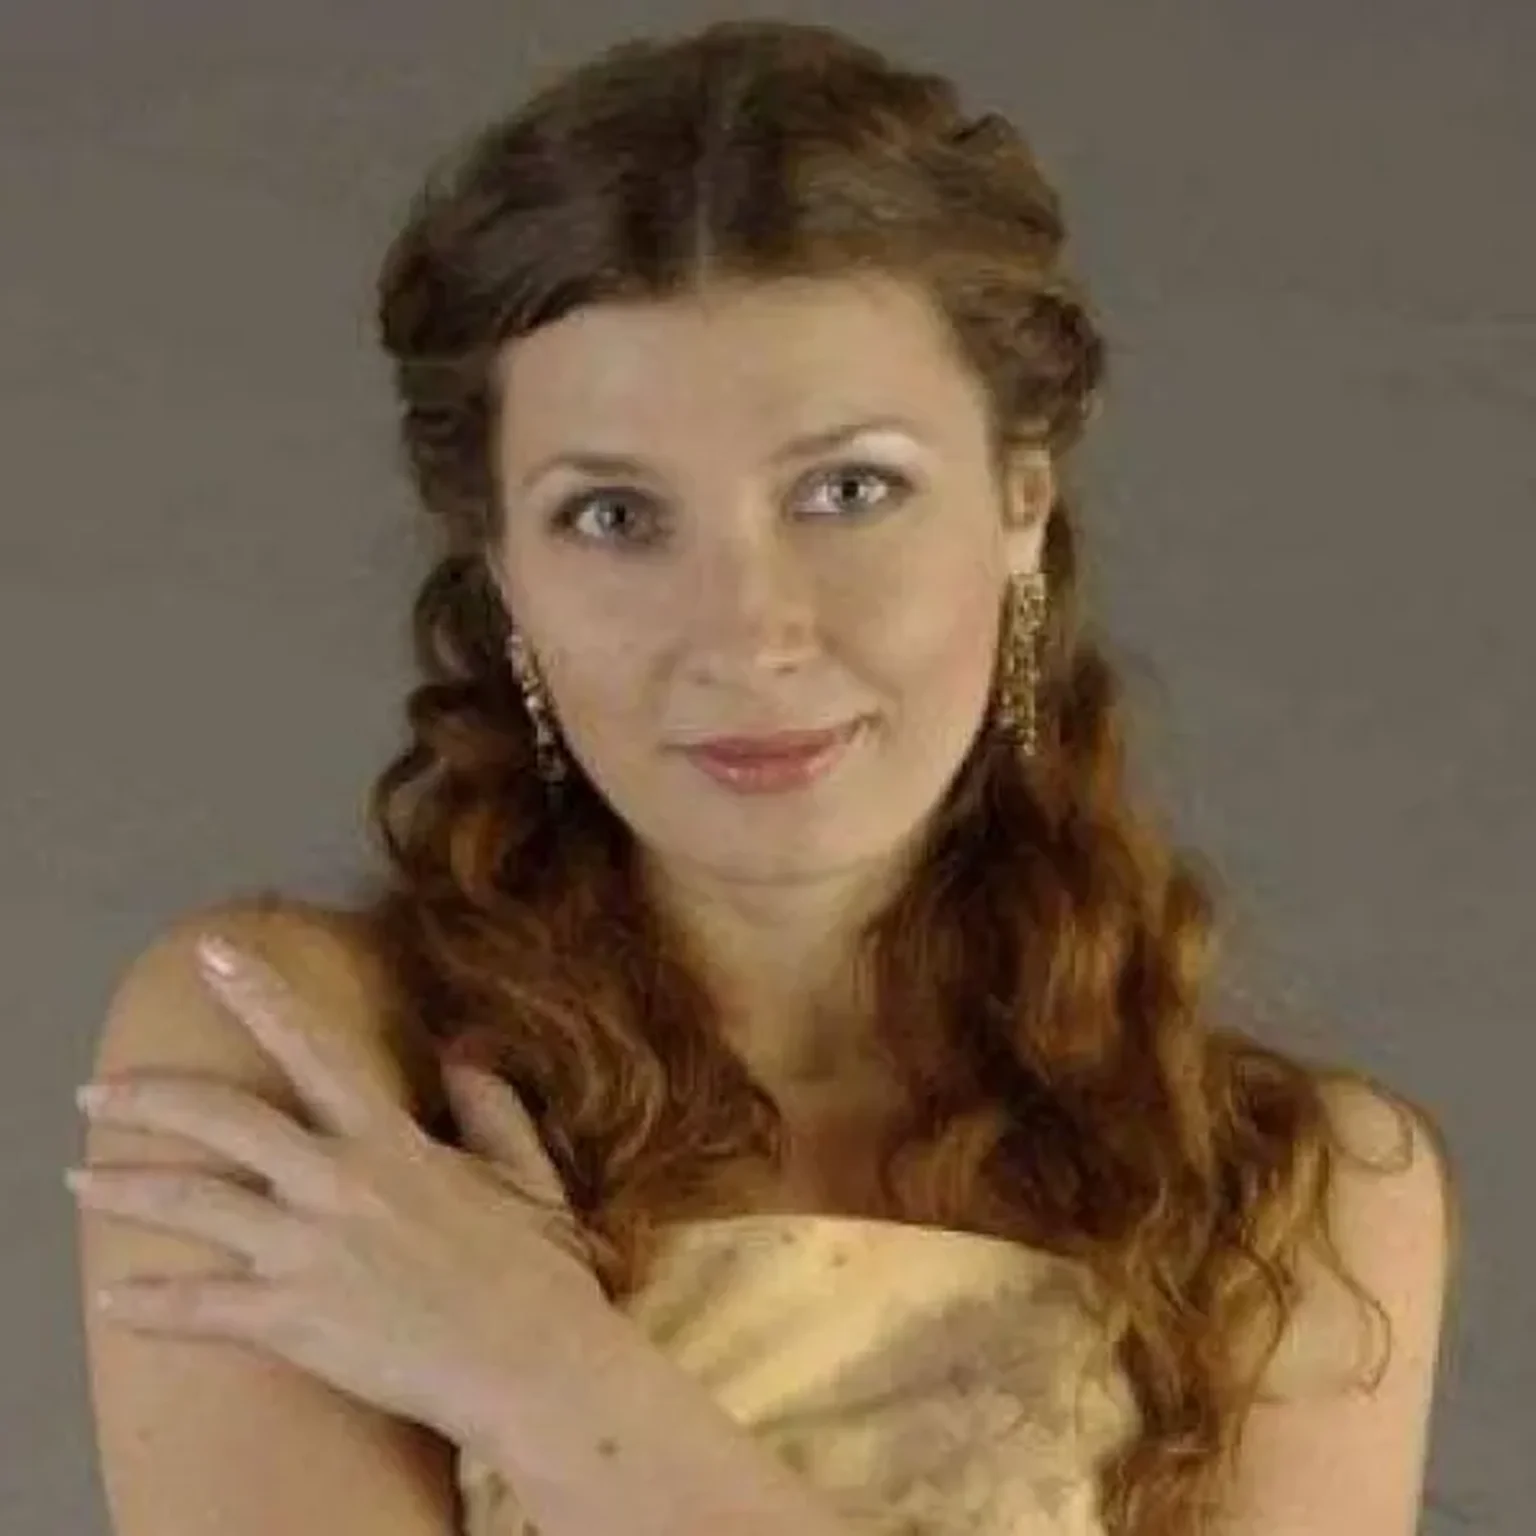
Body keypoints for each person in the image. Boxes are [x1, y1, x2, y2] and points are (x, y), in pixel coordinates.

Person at [72, 19, 1456, 1536]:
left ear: (1021, 502)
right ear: (504, 573)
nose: (748, 632)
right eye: (613, 517)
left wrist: (548, 1381)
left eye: (848, 490)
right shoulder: (305, 1063)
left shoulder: (1300, 1201)